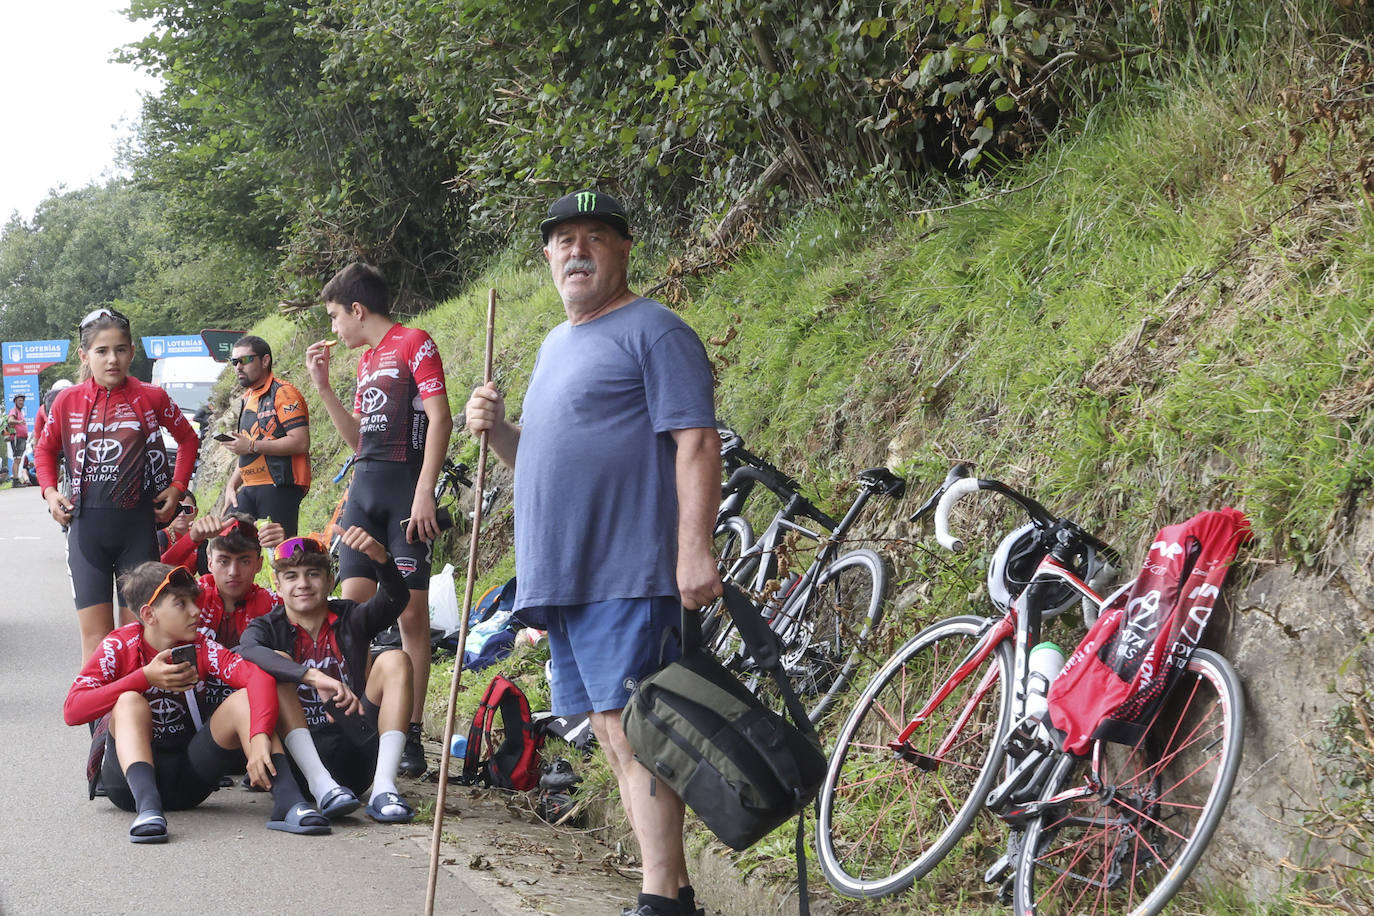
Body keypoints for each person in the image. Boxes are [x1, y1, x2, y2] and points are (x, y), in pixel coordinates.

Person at [465, 189, 721, 916]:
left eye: (596, 237)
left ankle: (660, 899)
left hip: (627, 567)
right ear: (547, 256)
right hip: (564, 577)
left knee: (634, 730)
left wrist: (694, 549)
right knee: (612, 733)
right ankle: (671, 891)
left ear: (623, 249)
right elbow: (539, 458)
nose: (578, 250)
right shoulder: (555, 343)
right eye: (564, 239)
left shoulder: (655, 331)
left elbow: (696, 441)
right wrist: (498, 431)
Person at [304, 263, 453, 777]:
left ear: (357, 309)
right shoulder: (367, 360)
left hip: (406, 496)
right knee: (352, 613)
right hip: (364, 495)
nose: (333, 329)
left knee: (411, 616)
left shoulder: (415, 342)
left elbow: (441, 417)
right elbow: (359, 442)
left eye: (333, 317)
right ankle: (361, 718)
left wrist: (425, 492)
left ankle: (408, 733)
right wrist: (323, 389)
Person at [63, 561, 330, 843]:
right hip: (128, 790)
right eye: (181, 604)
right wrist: (143, 678)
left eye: (194, 601)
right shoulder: (119, 645)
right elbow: (73, 710)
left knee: (243, 700)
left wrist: (260, 734)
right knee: (129, 701)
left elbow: (257, 677)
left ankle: (288, 801)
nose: (196, 611)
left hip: (191, 780)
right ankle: (149, 809)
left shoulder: (201, 645)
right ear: (149, 614)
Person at [35, 308, 202, 662]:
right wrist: (50, 493)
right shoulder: (67, 401)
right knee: (96, 642)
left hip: (137, 531)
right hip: (85, 532)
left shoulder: (150, 396)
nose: (113, 359)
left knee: (136, 639)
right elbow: (44, 450)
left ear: (131, 352)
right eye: (102, 351)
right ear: (84, 355)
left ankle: (136, 716)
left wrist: (177, 487)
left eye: (121, 349)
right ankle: (101, 717)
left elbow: (188, 439)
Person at [238, 529, 417, 823]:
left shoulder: (350, 617)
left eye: (313, 574)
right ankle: (322, 787)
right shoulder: (266, 627)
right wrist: (313, 677)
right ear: (278, 585)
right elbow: (249, 650)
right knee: (276, 664)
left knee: (396, 659)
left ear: (330, 580)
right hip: (299, 766)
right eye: (292, 576)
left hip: (356, 751)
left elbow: (396, 598)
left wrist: (381, 558)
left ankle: (384, 788)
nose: (303, 584)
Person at [221, 335, 312, 537]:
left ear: (265, 360)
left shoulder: (284, 393)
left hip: (280, 486)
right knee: (228, 540)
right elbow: (248, 450)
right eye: (234, 362)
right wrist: (231, 485)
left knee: (281, 555)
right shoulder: (248, 398)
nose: (238, 367)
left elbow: (300, 442)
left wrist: (252, 446)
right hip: (249, 487)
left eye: (244, 360)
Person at [156, 490, 199, 556]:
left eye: (187, 509)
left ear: (195, 512)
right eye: (176, 509)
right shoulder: (160, 537)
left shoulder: (199, 537)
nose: (181, 514)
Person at [7, 394, 29, 483]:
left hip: (21, 439)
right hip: (17, 438)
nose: (21, 402)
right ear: (15, 401)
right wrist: (19, 421)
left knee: (18, 459)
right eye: (19, 400)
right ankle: (15, 480)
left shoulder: (20, 412)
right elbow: (10, 421)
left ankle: (16, 479)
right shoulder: (14, 411)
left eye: (22, 401)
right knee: (16, 459)